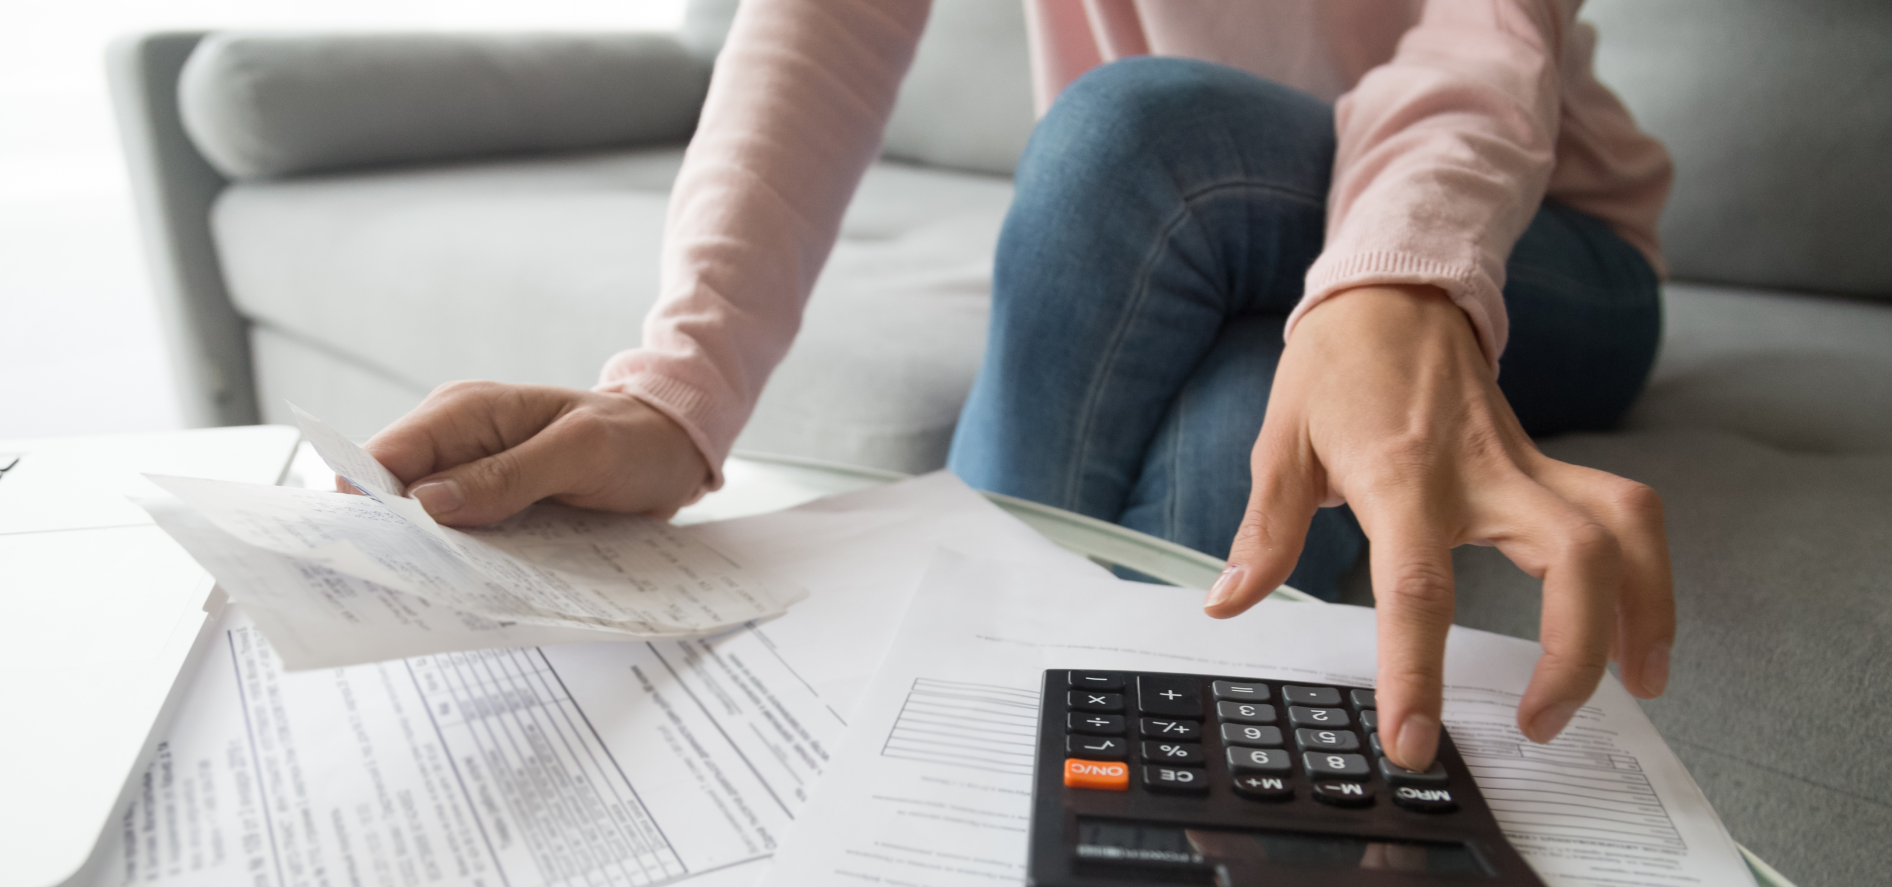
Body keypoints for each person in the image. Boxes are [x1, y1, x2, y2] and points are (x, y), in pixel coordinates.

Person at [348, 0, 1676, 773]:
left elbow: (1484, 46)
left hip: (1535, 233)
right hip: (1222, 262)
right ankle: (1015, 811)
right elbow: (825, 27)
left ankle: (919, 772)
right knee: (1234, 439)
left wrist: (1393, 287)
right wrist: (672, 395)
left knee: (1123, 129)